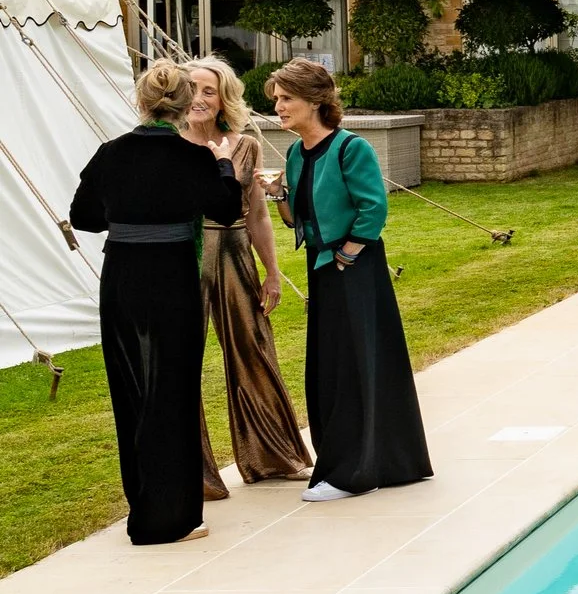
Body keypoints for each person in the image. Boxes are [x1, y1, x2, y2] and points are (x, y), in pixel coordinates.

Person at [67, 62, 244, 544]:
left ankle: (143, 512)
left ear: (141, 103)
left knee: (131, 392)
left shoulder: (110, 154)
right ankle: (175, 518)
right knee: (174, 391)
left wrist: (128, 215)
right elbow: (227, 209)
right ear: (186, 106)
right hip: (172, 279)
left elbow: (83, 218)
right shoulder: (194, 157)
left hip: (122, 278)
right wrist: (224, 162)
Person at [266, 58, 431, 503]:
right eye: (277, 99)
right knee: (331, 368)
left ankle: (357, 471)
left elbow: (373, 208)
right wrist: (278, 193)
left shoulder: (350, 147)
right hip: (322, 271)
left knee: (356, 366)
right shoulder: (298, 152)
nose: (278, 107)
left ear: (315, 101)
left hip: (353, 272)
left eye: (286, 98)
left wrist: (345, 255)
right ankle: (355, 462)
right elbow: (294, 220)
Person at [183, 58, 312, 486]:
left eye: (209, 90)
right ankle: (192, 475)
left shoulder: (245, 146)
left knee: (253, 349)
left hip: (237, 253)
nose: (200, 98)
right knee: (182, 361)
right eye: (193, 89)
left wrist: (272, 272)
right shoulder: (170, 146)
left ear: (223, 99)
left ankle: (273, 456)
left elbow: (258, 214)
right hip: (186, 258)